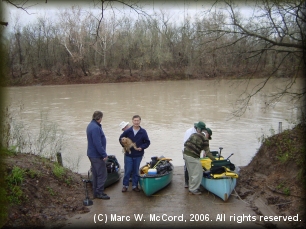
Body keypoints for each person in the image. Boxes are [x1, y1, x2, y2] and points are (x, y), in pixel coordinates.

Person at [119, 115, 150, 192]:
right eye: (135, 120)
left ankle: (135, 185)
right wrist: (124, 145)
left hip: (138, 154)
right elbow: (120, 139)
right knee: (128, 170)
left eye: (138, 121)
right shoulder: (128, 131)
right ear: (132, 121)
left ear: (140, 121)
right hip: (128, 154)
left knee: (136, 171)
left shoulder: (143, 132)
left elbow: (147, 142)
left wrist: (142, 147)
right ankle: (125, 185)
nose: (136, 122)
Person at [183, 128, 215, 195]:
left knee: (191, 172)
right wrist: (214, 160)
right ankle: (193, 189)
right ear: (207, 134)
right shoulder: (205, 139)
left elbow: (185, 143)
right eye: (209, 137)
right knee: (198, 172)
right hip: (192, 156)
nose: (208, 138)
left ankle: (191, 187)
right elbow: (208, 153)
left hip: (185, 154)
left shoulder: (194, 134)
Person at [86, 111, 110, 199]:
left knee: (96, 174)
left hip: (92, 154)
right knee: (102, 174)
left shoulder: (90, 125)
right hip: (96, 155)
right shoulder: (95, 128)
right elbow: (97, 143)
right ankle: (99, 192)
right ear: (99, 118)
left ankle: (95, 192)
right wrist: (104, 154)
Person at [183, 121, 206, 188]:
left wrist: (203, 152)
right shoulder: (190, 132)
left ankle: (191, 185)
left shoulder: (200, 134)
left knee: (192, 170)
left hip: (191, 153)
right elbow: (186, 143)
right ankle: (188, 183)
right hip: (188, 152)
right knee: (191, 169)